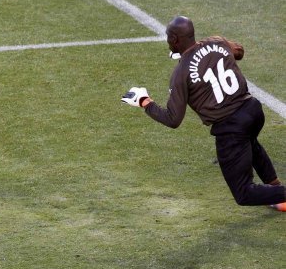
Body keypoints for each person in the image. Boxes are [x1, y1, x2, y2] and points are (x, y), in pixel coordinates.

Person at [122, 16, 286, 209]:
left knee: (244, 193)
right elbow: (239, 51)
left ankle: (278, 194)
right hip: (253, 110)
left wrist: (144, 102)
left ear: (175, 40)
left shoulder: (181, 73)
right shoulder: (216, 42)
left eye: (168, 37)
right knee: (249, 142)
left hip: (230, 127)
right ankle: (276, 192)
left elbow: (173, 119)